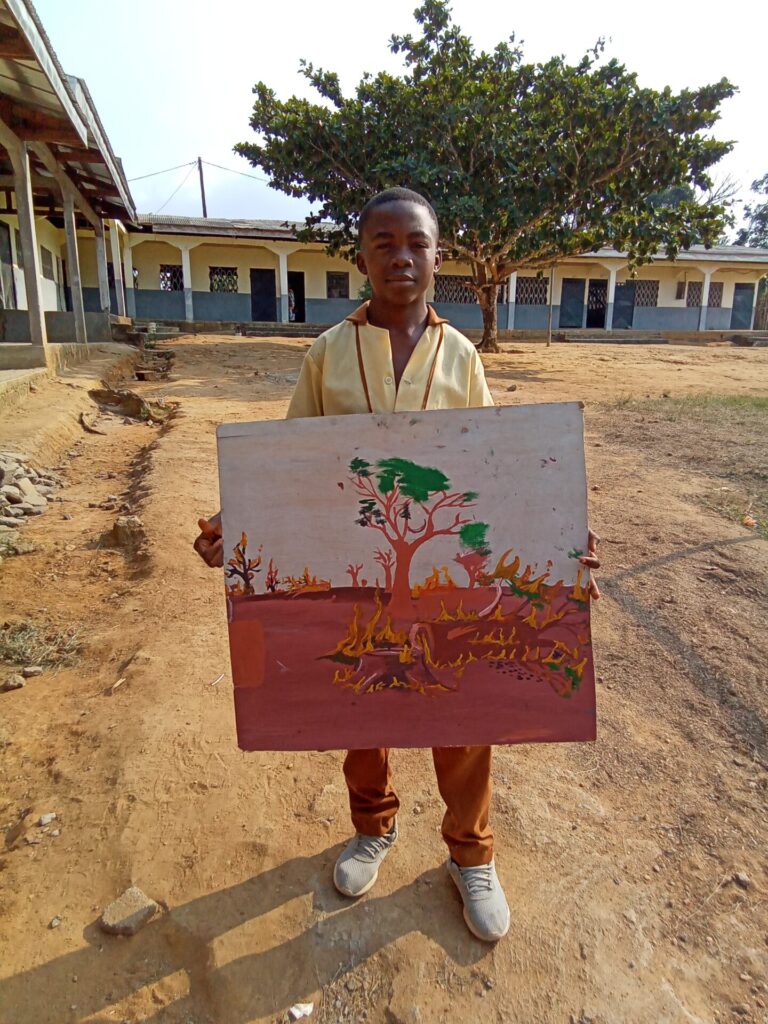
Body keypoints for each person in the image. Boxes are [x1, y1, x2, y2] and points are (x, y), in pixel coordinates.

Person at [193, 187, 600, 943]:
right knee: (360, 696)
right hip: (352, 565)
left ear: (438, 256)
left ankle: (471, 853)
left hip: (442, 566)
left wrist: (559, 544)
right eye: (383, 243)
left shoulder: (462, 357)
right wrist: (236, 523)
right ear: (361, 257)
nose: (401, 257)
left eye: (416, 243)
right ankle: (373, 825)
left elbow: (499, 470)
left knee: (463, 705)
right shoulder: (327, 354)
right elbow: (289, 465)